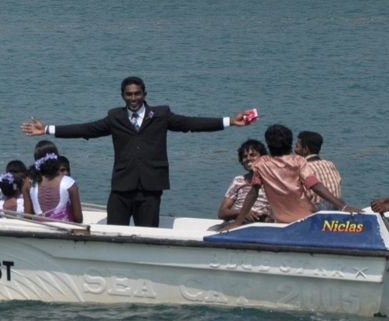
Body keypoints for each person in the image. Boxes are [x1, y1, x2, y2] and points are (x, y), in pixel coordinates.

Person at [21, 76, 251, 227]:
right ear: (123, 95)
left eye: (137, 94)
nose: (133, 98)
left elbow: (191, 123)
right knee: (114, 233)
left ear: (145, 94)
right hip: (122, 187)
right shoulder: (115, 118)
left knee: (148, 233)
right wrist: (48, 130)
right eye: (128, 94)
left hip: (151, 186)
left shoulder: (161, 115)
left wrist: (229, 121)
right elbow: (86, 129)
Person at [226, 124, 358, 228]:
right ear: (289, 144)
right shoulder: (298, 161)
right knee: (336, 202)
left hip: (282, 219)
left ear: (268, 144)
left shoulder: (261, 164)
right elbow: (315, 185)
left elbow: (253, 193)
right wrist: (343, 207)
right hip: (307, 216)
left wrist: (238, 222)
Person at [217, 139, 274, 222]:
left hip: (262, 222)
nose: (248, 158)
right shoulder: (238, 181)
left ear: (262, 157)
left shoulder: (272, 181)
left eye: (252, 155)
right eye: (245, 156)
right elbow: (222, 213)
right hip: (238, 221)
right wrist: (242, 212)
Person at [28, 143, 83, 223]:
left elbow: (27, 216)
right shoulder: (69, 183)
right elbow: (78, 219)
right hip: (63, 228)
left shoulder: (29, 183)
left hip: (38, 228)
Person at [294, 130, 342, 211]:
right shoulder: (330, 164)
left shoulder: (303, 168)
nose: (294, 150)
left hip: (317, 213)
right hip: (337, 209)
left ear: (306, 150)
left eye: (297, 146)